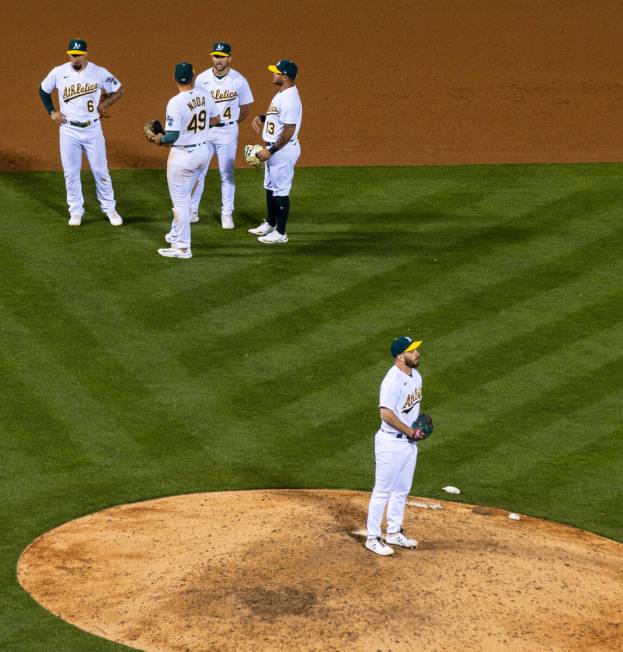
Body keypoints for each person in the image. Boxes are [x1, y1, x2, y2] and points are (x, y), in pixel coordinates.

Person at [39, 38, 124, 227]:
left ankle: (110, 209)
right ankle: (76, 211)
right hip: (68, 130)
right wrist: (52, 112)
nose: (76, 58)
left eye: (79, 54)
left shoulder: (99, 72)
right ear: (68, 54)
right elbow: (43, 90)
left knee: (101, 171)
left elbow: (119, 90)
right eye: (73, 54)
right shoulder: (58, 72)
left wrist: (103, 104)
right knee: (71, 172)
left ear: (86, 53)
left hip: (93, 128)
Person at [146, 62, 220, 259]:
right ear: (194, 76)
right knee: (186, 197)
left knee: (180, 201)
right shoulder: (204, 93)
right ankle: (175, 233)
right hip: (204, 152)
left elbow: (173, 136)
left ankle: (182, 247)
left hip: (183, 157)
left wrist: (158, 139)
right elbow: (216, 119)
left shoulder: (175, 103)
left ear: (174, 78)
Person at [365, 336, 427, 556]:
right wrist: (410, 430)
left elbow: (410, 410)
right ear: (400, 356)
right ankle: (372, 538)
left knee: (401, 490)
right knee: (383, 491)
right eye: (412, 351)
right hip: (391, 443)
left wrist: (417, 429)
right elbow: (386, 413)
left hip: (409, 444)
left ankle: (393, 532)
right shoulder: (391, 381)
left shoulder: (416, 376)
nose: (417, 353)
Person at [192, 42, 254, 229]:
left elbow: (246, 107)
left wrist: (232, 122)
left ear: (229, 58)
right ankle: (192, 211)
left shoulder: (239, 80)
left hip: (228, 132)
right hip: (206, 132)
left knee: (226, 174)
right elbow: (194, 103)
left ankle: (227, 213)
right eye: (216, 56)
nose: (218, 60)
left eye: (222, 56)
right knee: (198, 171)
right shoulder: (202, 79)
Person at [248, 59, 302, 244]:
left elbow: (289, 131)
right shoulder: (283, 93)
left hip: (282, 150)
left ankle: (281, 233)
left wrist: (270, 151)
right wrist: (263, 117)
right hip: (274, 149)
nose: (273, 73)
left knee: (280, 191)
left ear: (285, 76)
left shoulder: (290, 99)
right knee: (270, 187)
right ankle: (270, 224)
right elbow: (278, 116)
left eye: (276, 72)